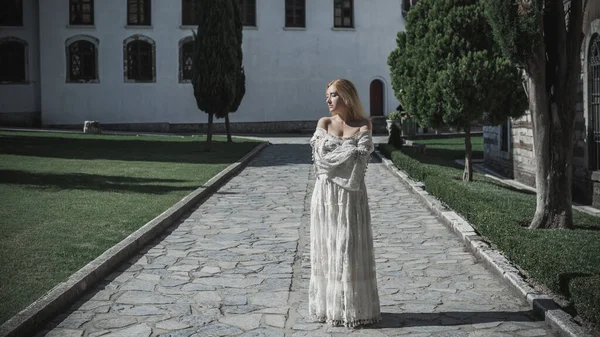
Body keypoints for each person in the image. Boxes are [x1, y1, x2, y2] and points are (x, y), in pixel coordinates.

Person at [308, 78, 381, 327]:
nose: (328, 100)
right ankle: (330, 308)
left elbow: (359, 167)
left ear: (347, 97)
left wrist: (341, 158)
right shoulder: (324, 123)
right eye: (327, 95)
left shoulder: (364, 125)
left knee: (348, 250)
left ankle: (353, 308)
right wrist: (348, 153)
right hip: (326, 196)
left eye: (333, 95)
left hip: (352, 196)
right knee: (328, 248)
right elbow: (321, 163)